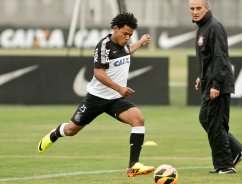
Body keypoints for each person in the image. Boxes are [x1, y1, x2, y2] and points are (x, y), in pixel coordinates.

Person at [37, 12, 155, 178]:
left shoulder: (123, 45)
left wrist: (141, 42)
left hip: (115, 100)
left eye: (130, 35)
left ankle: (133, 166)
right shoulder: (103, 46)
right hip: (96, 99)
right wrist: (119, 88)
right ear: (115, 28)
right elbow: (99, 73)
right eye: (125, 33)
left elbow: (128, 51)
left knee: (138, 119)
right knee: (72, 130)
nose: (128, 37)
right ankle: (56, 133)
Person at [189, 0, 242, 174]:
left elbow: (220, 58)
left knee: (216, 123)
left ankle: (225, 165)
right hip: (209, 82)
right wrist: (201, 76)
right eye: (192, 8)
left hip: (218, 84)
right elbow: (208, 58)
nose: (195, 11)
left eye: (199, 8)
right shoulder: (202, 28)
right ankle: (236, 151)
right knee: (205, 118)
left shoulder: (214, 26)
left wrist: (216, 84)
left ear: (207, 9)